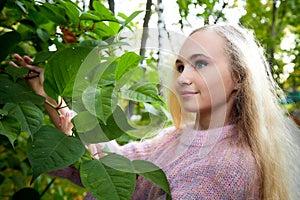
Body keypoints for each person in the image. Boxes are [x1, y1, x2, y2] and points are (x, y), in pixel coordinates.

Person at [10, 23, 300, 199]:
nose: (183, 77)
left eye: (200, 63)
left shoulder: (225, 169)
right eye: (180, 66)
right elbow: (110, 164)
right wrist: (49, 96)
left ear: (238, 77)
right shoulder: (179, 139)